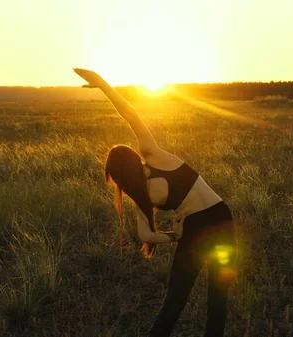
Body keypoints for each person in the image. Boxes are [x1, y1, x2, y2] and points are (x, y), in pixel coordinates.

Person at [74, 68, 236, 337]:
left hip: (195, 229)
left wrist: (174, 237)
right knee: (217, 300)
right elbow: (130, 114)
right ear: (132, 158)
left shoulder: (140, 193)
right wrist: (102, 83)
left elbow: (144, 234)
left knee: (174, 302)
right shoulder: (153, 156)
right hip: (221, 217)